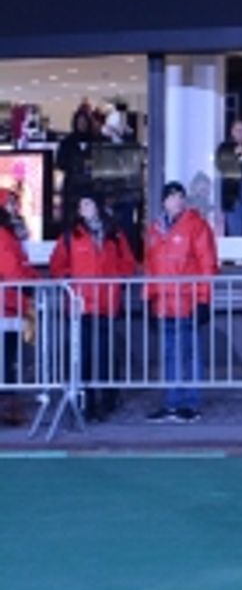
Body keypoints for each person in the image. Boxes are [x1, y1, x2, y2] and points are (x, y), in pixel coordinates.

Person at [49, 192, 136, 421]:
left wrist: (115, 282)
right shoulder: (71, 236)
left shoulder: (114, 234)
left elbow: (128, 263)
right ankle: (84, 402)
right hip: (81, 306)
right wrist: (72, 281)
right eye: (81, 205)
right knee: (82, 356)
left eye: (88, 204)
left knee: (107, 355)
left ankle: (108, 400)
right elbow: (57, 266)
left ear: (96, 206)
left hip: (106, 304)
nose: (85, 209)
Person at [142, 180, 218, 424]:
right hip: (164, 302)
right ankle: (172, 401)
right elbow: (150, 268)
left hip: (188, 300)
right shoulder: (155, 230)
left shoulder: (196, 226)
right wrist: (148, 299)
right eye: (172, 196)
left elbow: (208, 264)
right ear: (164, 201)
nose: (177, 201)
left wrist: (205, 299)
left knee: (190, 353)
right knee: (170, 355)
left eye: (180, 196)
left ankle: (191, 403)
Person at [0, 202, 36, 426]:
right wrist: (30, 283)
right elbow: (12, 269)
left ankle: (9, 409)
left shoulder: (9, 235)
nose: (16, 208)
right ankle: (8, 410)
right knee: (6, 359)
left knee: (7, 357)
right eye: (11, 205)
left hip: (10, 302)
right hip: (7, 304)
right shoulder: (4, 236)